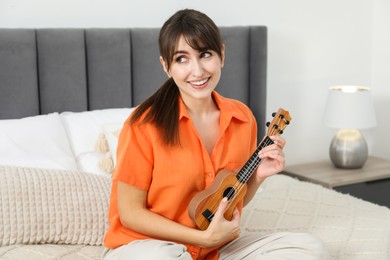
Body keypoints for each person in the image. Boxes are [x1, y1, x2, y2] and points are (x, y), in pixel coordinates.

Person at [103, 8, 329, 260]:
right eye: (181, 59)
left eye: (205, 54)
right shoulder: (143, 125)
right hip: (148, 247)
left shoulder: (242, 118)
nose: (197, 71)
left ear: (221, 54)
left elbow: (227, 199)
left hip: (215, 249)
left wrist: (258, 177)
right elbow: (130, 213)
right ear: (166, 66)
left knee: (309, 249)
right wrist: (202, 238)